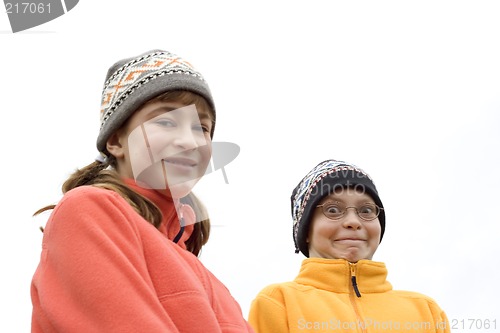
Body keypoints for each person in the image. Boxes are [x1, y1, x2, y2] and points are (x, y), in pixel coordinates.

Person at [31, 49, 254, 333]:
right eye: (165, 121)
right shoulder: (87, 210)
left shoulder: (209, 280)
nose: (189, 141)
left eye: (202, 127)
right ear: (116, 141)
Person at [248, 159, 450, 333]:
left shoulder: (426, 312)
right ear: (306, 229)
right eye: (333, 210)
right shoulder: (278, 302)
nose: (353, 221)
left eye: (366, 210)